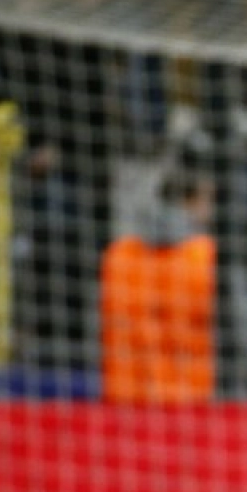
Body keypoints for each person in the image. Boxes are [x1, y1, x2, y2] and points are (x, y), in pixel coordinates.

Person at [100, 170, 216, 403]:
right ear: (191, 202)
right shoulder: (206, 256)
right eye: (208, 200)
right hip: (192, 398)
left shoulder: (118, 255)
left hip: (124, 397)